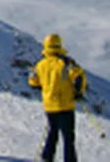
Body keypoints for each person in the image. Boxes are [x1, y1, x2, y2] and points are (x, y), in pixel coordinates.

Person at [28, 33, 87, 162]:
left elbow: (32, 81)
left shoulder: (40, 64)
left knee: (52, 132)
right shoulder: (65, 62)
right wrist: (78, 92)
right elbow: (79, 76)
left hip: (49, 105)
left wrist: (45, 88)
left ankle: (46, 158)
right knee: (68, 138)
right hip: (65, 105)